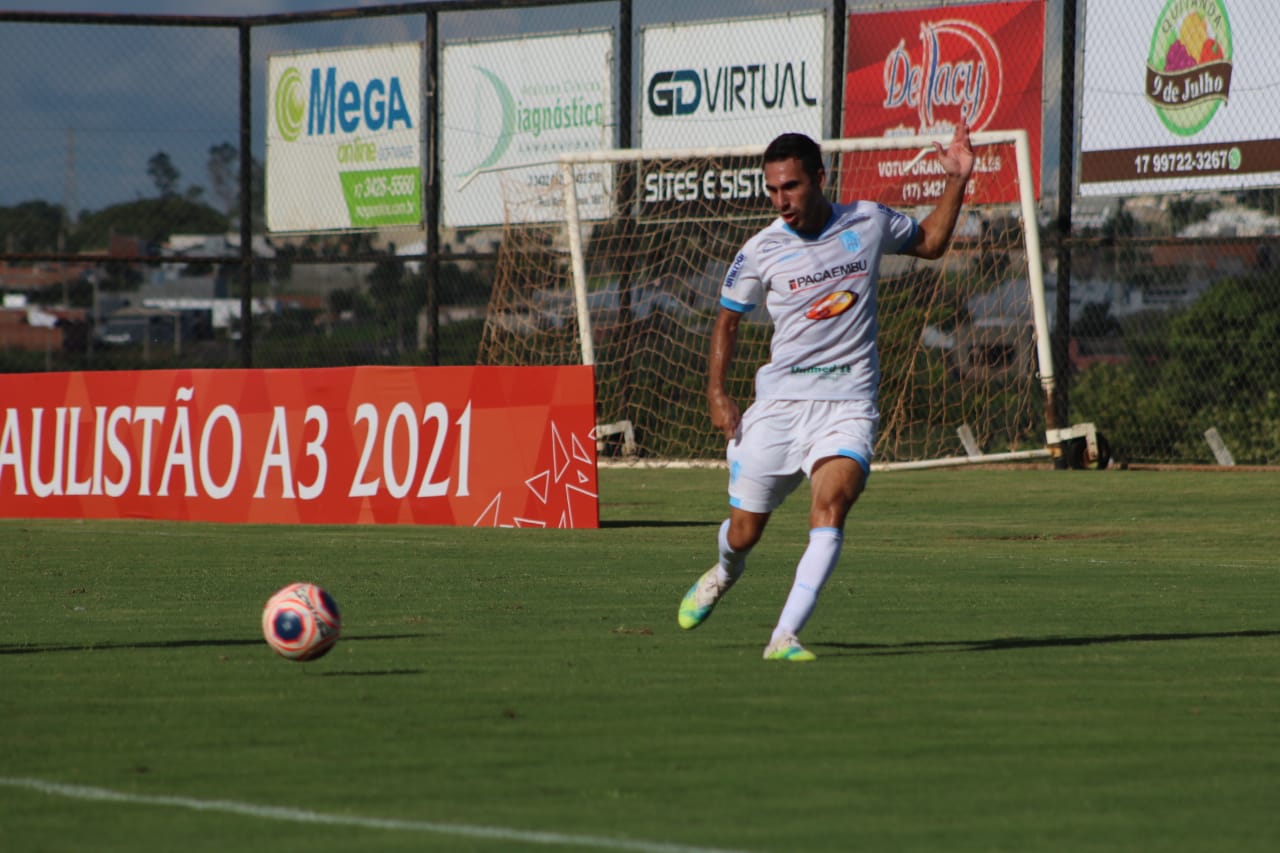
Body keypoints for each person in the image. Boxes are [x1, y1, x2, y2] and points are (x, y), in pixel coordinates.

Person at [677, 123, 976, 661]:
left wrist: (955, 181)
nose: (780, 200)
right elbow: (726, 322)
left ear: (820, 177)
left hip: (849, 404)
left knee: (831, 505)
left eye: (790, 186)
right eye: (772, 189)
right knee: (744, 533)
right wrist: (717, 393)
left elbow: (930, 243)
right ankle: (724, 571)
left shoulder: (866, 220)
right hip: (778, 408)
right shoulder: (760, 250)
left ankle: (784, 637)